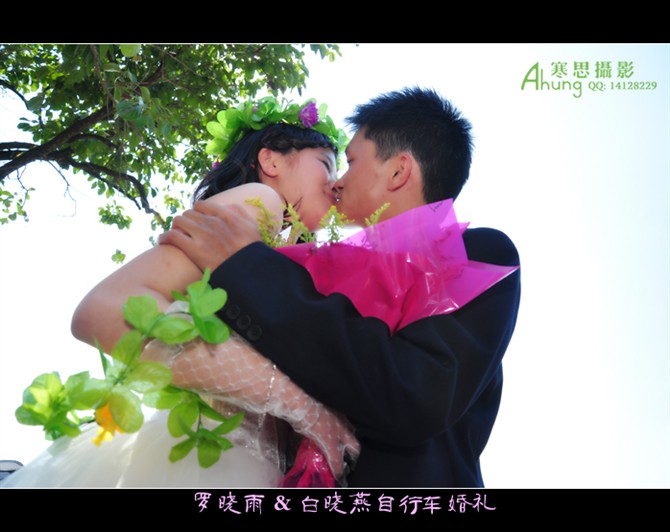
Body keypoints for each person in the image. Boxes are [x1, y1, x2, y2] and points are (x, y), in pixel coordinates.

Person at [158, 86, 522, 487]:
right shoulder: (312, 265)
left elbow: (414, 394)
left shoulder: (479, 254)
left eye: (349, 162)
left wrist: (246, 266)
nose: (337, 183)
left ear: (398, 171)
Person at [1, 97, 359, 488]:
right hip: (212, 465)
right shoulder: (262, 202)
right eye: (325, 163)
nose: (335, 182)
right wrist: (301, 405)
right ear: (270, 161)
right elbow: (102, 311)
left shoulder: (284, 245)